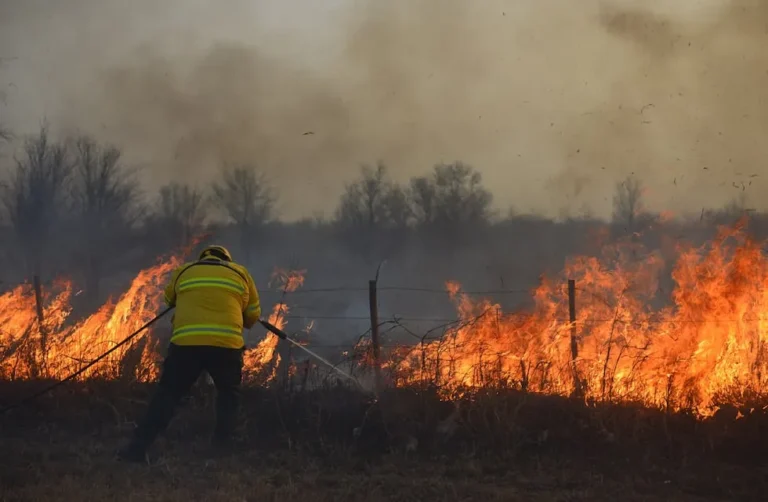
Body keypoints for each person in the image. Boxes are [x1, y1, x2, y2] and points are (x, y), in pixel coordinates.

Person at [118, 245, 261, 462]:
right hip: (226, 346)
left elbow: (169, 300)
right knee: (228, 396)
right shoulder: (241, 273)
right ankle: (221, 451)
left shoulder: (185, 271)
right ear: (227, 260)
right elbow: (251, 317)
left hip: (187, 345)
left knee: (167, 395)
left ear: (203, 258)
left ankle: (137, 449)